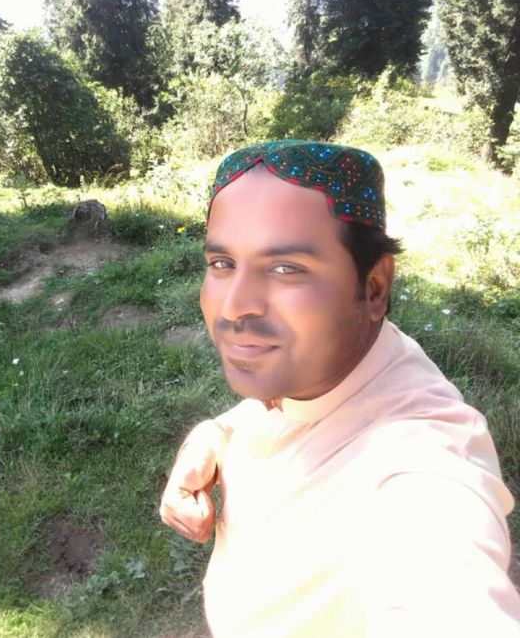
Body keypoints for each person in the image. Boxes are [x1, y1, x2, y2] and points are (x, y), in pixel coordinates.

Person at [159, 140, 520, 637]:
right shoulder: (332, 364)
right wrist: (209, 439)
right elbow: (272, 413)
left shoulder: (423, 464)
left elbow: (444, 584)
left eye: (286, 268)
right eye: (222, 263)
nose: (234, 305)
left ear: (374, 287)